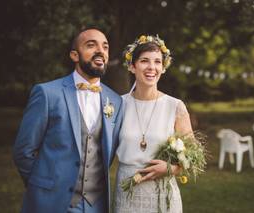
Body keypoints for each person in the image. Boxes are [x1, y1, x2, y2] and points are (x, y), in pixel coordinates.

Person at [13, 28, 123, 213]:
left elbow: (107, 154)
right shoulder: (47, 93)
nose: (100, 51)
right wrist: (43, 187)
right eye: (91, 45)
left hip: (95, 205)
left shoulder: (115, 101)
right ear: (74, 55)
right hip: (50, 204)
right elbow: (23, 151)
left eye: (105, 46)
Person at [114, 35, 193, 213]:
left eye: (157, 62)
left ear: (163, 68)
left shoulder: (175, 106)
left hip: (163, 193)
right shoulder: (118, 104)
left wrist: (171, 168)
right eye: (144, 61)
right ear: (132, 66)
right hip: (127, 191)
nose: (152, 67)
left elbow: (193, 156)